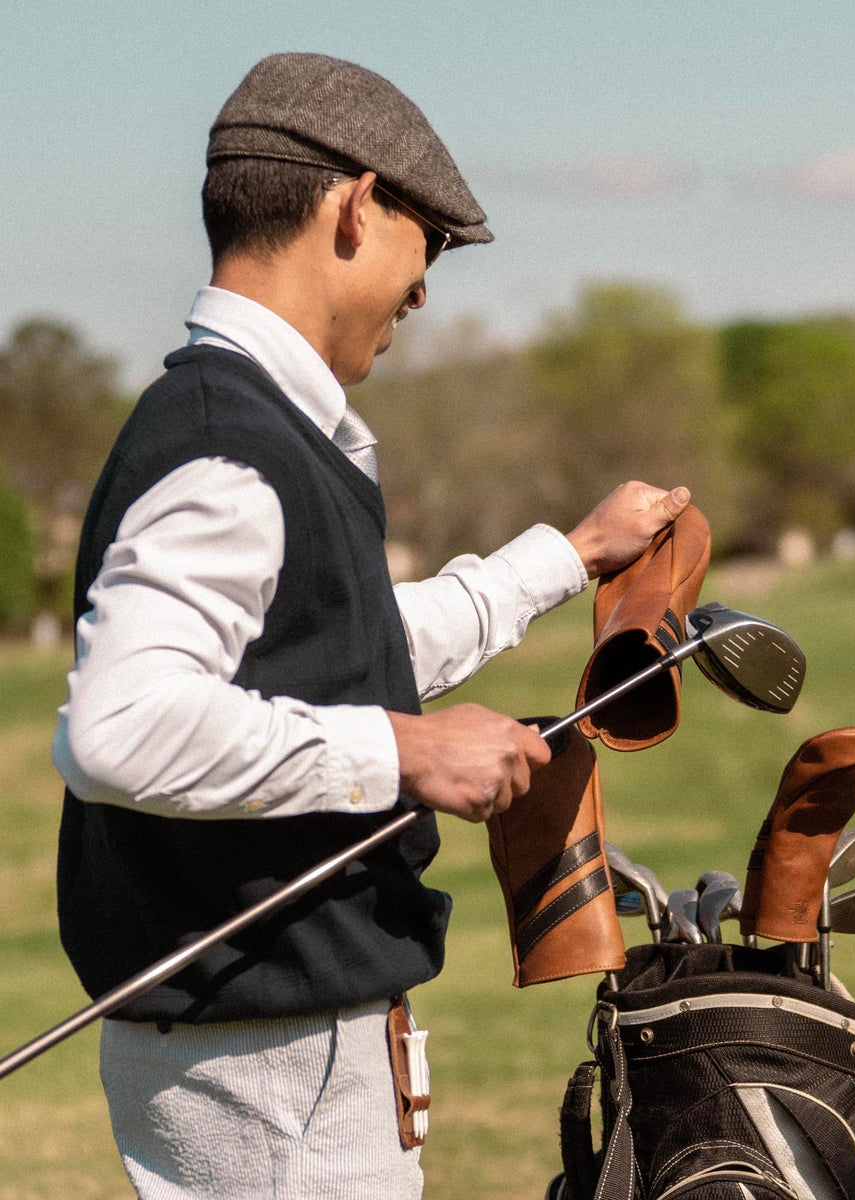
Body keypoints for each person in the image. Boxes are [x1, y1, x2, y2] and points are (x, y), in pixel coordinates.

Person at [52, 53, 691, 1199]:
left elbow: (340, 644)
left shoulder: (236, 420)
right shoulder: (227, 441)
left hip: (267, 1050)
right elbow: (120, 726)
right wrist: (405, 749)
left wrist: (571, 556)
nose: (424, 290)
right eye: (427, 244)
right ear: (354, 207)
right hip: (274, 1064)